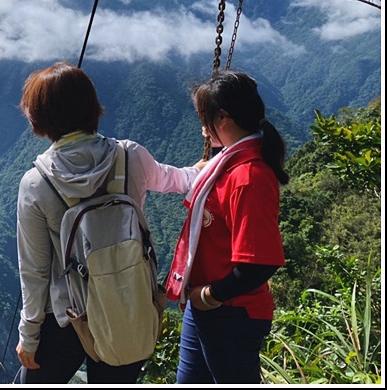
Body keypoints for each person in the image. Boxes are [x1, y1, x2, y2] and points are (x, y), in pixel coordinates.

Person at [15, 61, 204, 384]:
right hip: (127, 305)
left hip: (65, 319)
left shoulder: (36, 184)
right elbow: (176, 180)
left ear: (39, 119)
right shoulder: (130, 156)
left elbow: (35, 272)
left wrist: (29, 336)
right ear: (93, 106)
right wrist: (204, 167)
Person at [165, 70, 289, 384]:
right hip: (207, 308)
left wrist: (209, 294)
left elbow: (260, 263)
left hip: (232, 312)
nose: (204, 132)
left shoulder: (248, 178)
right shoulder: (228, 164)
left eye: (204, 122)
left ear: (223, 120)